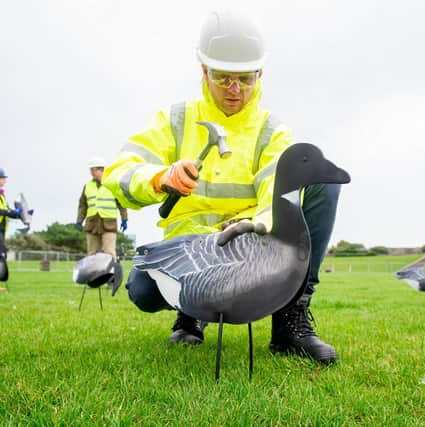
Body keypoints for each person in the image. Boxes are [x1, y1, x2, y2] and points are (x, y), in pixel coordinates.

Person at [103, 11, 342, 363]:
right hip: (188, 247)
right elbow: (120, 172)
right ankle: (190, 313)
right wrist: (160, 177)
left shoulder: (271, 131)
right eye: (223, 78)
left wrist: (255, 226)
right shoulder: (176, 120)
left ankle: (290, 322)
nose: (235, 90)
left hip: (243, 248)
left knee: (319, 183)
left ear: (260, 74)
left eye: (245, 79)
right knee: (143, 292)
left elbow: (276, 189)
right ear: (204, 71)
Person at [76, 156, 129, 293]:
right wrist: (79, 220)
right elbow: (82, 205)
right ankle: (93, 280)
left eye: (93, 170)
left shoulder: (112, 183)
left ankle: (112, 281)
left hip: (109, 224)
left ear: (100, 169)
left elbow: (122, 202)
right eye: (91, 170)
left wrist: (124, 219)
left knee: (109, 253)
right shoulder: (87, 186)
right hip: (92, 224)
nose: (92, 173)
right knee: (92, 254)